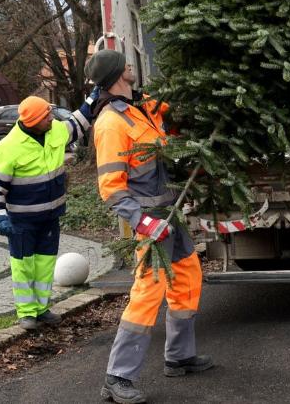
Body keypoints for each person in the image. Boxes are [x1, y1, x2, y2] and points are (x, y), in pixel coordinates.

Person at [88, 49, 212, 404]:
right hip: (150, 222)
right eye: (125, 63)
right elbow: (111, 187)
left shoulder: (143, 108)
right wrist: (142, 222)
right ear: (115, 74)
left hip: (171, 215)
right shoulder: (111, 124)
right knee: (148, 293)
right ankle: (117, 377)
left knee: (188, 277)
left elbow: (174, 112)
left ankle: (179, 356)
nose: (131, 66)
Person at [0, 95, 95, 330]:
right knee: (23, 266)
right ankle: (26, 313)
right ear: (33, 120)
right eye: (46, 115)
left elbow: (78, 124)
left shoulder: (55, 130)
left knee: (45, 264)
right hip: (21, 221)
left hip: (50, 217)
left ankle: (42, 308)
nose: (51, 118)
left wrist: (93, 99)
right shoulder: (8, 147)